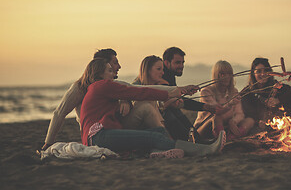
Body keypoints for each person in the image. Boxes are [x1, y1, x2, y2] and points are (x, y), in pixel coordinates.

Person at [42, 49, 191, 151]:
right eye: (114, 63)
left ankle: (172, 146)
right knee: (152, 125)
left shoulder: (110, 84)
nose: (118, 66)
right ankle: (175, 146)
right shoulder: (79, 88)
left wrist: (124, 100)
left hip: (113, 126)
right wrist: (48, 143)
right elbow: (59, 113)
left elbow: (136, 91)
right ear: (102, 66)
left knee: (147, 109)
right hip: (97, 135)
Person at [80, 58, 226, 158]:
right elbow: (136, 92)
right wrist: (167, 94)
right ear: (100, 73)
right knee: (154, 137)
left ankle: (157, 152)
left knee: (156, 132)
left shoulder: (98, 88)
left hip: (103, 134)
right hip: (98, 136)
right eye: (110, 71)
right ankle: (205, 150)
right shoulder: (102, 85)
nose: (114, 74)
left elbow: (129, 94)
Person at [162, 47, 222, 141]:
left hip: (166, 110)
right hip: (161, 113)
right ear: (166, 63)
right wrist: (205, 106)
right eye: (177, 62)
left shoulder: (169, 75)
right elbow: (175, 100)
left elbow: (178, 99)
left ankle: (197, 141)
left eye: (182, 62)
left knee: (176, 111)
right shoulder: (162, 76)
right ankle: (195, 142)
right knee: (172, 112)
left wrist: (205, 106)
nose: (181, 66)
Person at [194, 60, 255, 140]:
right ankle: (221, 140)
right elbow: (217, 110)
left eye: (229, 74)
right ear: (216, 75)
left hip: (226, 128)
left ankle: (230, 139)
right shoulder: (207, 91)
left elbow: (240, 114)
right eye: (223, 74)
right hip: (205, 128)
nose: (227, 77)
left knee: (250, 121)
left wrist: (233, 121)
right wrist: (230, 104)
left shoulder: (234, 92)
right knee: (217, 118)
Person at [240, 57, 291, 131]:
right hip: (258, 130)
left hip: (280, 129)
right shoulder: (248, 92)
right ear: (253, 73)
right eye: (258, 71)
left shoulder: (276, 86)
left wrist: (278, 100)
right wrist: (257, 122)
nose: (262, 74)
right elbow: (247, 113)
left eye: (265, 70)